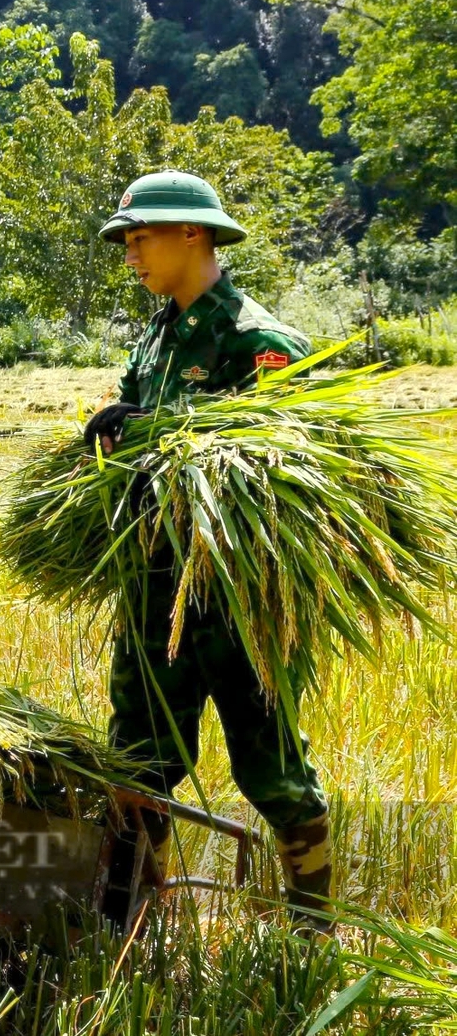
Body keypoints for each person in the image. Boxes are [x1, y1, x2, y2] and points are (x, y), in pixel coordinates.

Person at [84, 171, 332, 927]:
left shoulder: (262, 342)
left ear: (192, 233)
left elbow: (283, 471)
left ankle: (313, 928)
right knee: (139, 762)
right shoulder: (156, 338)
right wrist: (111, 436)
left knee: (274, 771)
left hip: (239, 597)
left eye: (140, 237)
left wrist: (169, 441)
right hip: (154, 587)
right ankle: (124, 924)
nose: (130, 253)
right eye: (126, 240)